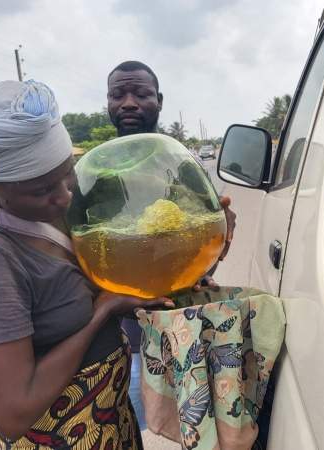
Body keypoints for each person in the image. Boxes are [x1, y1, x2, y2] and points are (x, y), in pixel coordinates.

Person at [0, 80, 172, 449]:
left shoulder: (62, 206)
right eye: (41, 189)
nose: (65, 195)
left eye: (68, 172)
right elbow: (11, 413)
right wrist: (103, 311)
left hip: (113, 429)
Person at [106, 60, 237, 430]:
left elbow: (211, 236)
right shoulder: (97, 174)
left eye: (141, 94)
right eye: (118, 95)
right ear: (108, 103)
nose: (129, 103)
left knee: (198, 430)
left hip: (185, 332)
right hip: (124, 343)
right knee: (123, 430)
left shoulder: (182, 164)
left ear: (159, 101)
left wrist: (217, 245)